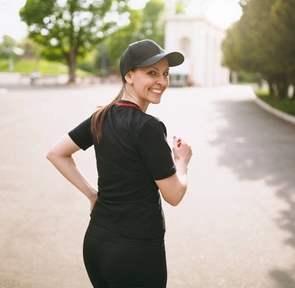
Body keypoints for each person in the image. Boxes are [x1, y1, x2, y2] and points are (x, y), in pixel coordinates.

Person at [46, 39, 192, 287]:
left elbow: (56, 153)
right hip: (136, 254)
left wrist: (93, 195)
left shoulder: (101, 116)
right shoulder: (149, 127)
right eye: (152, 72)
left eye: (165, 73)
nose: (162, 81)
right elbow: (174, 195)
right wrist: (183, 163)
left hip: (96, 245)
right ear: (129, 76)